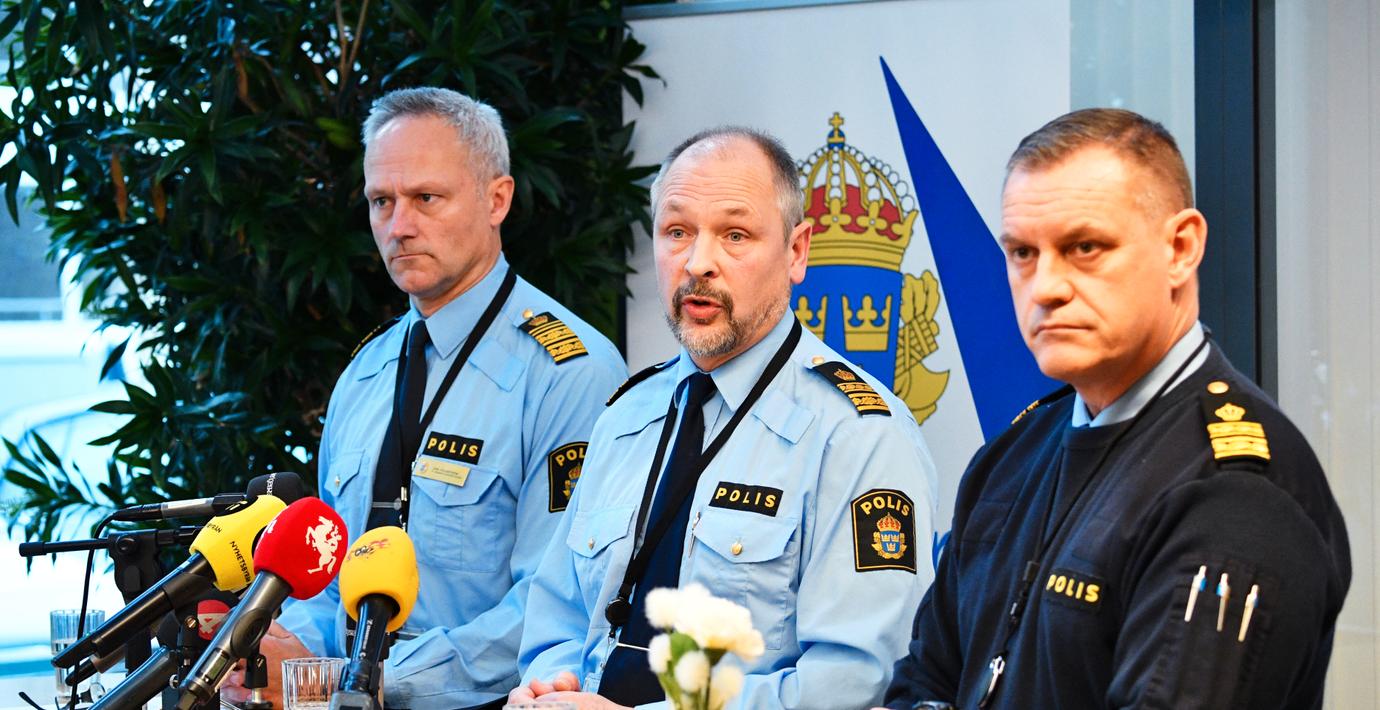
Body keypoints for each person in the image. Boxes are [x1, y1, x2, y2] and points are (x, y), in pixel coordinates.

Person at [881, 108, 1350, 709]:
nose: (1045, 287)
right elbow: (922, 680)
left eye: (1084, 247)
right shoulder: (1012, 456)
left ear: (1180, 248)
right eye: (1022, 252)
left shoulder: (1234, 489)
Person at [221, 87, 626, 709]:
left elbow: (554, 605)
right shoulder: (366, 371)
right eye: (381, 201)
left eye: (426, 198)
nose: (399, 226)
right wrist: (280, 653)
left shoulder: (568, 372)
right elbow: (326, 574)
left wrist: (364, 679)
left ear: (497, 200)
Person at [510, 127, 939, 710]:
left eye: (735, 235)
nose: (697, 263)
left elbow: (856, 681)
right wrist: (553, 685)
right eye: (677, 232)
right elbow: (557, 615)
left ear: (796, 251)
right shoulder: (626, 415)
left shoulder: (859, 435)